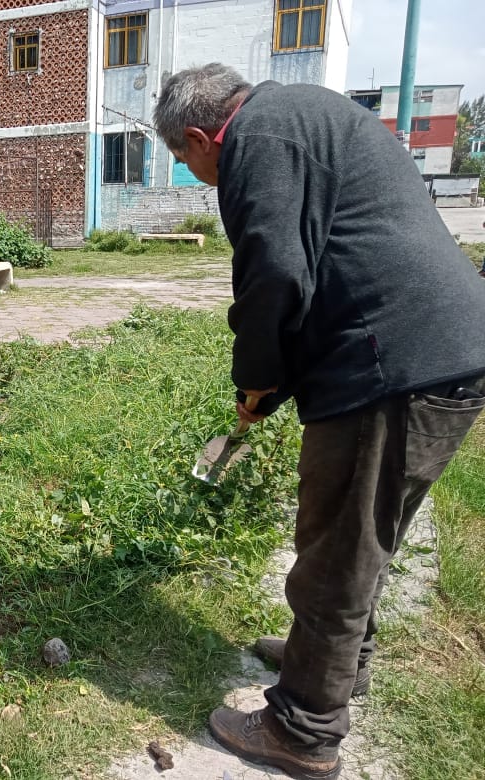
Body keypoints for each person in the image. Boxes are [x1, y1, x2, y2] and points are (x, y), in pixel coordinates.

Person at [153, 63, 485, 779]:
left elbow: (274, 271)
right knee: (368, 533)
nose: (195, 174)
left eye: (186, 162)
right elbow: (310, 261)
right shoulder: (301, 114)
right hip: (438, 353)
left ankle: (303, 729)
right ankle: (336, 664)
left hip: (391, 363)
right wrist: (271, 388)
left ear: (201, 136)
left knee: (336, 549)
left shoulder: (258, 140)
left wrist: (256, 381)